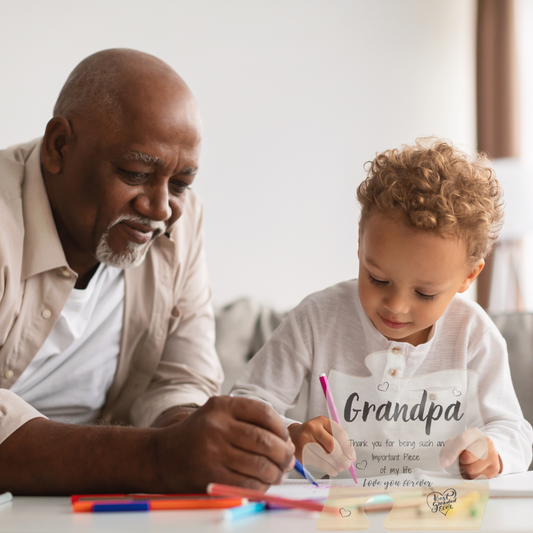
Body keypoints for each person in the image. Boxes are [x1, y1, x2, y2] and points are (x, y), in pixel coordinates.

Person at [0, 48, 294, 495]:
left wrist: (201, 441)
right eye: (135, 172)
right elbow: (159, 456)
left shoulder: (182, 220)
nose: (160, 208)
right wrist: (160, 457)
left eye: (180, 184)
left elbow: (180, 378)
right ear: (59, 146)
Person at [231, 139, 533, 479]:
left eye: (424, 292)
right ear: (361, 239)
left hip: (437, 514)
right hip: (336, 516)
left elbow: (514, 430)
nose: (396, 306)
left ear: (468, 276)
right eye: (377, 279)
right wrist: (291, 436)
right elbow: (246, 405)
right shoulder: (316, 319)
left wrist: (494, 453)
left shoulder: (473, 334)